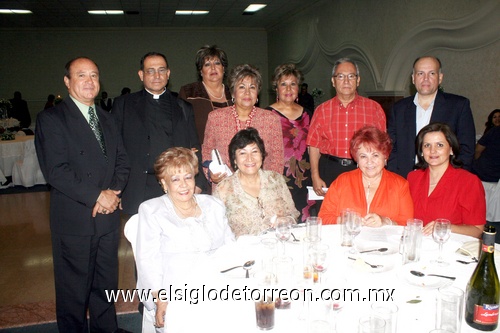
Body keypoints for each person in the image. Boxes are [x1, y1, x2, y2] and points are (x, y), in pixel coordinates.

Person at [34, 57, 130, 332]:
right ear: (67, 81)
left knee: (105, 284)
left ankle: (106, 330)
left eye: (94, 75)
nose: (89, 81)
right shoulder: (51, 118)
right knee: (73, 291)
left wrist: (112, 193)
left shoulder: (107, 118)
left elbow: (122, 161)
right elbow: (56, 171)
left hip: (108, 217)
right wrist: (97, 196)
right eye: (81, 75)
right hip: (76, 218)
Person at [136, 147, 234, 331]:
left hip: (219, 283)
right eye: (175, 179)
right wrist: (161, 300)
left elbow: (230, 247)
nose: (184, 185)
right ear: (164, 183)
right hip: (178, 290)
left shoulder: (213, 204)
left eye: (188, 177)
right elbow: (147, 261)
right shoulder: (152, 210)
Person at [113, 51, 206, 216]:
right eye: (150, 71)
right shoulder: (124, 105)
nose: (156, 75)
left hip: (175, 186)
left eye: (161, 70)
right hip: (136, 188)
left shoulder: (183, 107)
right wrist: (116, 188)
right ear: (141, 75)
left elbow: (194, 146)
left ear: (168, 74)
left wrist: (198, 183)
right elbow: (115, 148)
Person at [306, 58, 386, 202]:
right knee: (329, 217)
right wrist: (315, 176)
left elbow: (382, 148)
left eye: (351, 76)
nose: (346, 81)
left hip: (362, 169)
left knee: (361, 216)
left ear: (358, 80)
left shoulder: (374, 109)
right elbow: (314, 145)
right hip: (329, 170)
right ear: (333, 81)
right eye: (341, 76)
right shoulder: (322, 110)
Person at [388, 56, 476, 178]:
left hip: (445, 180)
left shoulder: (458, 106)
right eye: (420, 73)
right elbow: (391, 148)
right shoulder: (398, 109)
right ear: (413, 78)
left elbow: (466, 149)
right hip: (405, 180)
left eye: (432, 73)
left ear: (440, 78)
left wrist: (456, 178)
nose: (425, 78)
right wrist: (395, 177)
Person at [202, 64, 284, 185]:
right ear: (233, 93)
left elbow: (277, 158)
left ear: (257, 93)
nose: (247, 92)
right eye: (241, 87)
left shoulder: (271, 119)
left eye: (252, 87)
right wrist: (210, 173)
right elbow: (207, 150)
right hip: (225, 187)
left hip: (261, 188)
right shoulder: (216, 118)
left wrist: (268, 184)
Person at [319, 126, 413, 226]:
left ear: (385, 157)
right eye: (363, 156)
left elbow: (408, 224)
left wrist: (385, 221)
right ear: (357, 159)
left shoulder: (400, 185)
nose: (369, 162)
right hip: (348, 240)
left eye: (375, 155)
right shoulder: (342, 181)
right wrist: (343, 220)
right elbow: (323, 218)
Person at [213, 128, 299, 237]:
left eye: (254, 151)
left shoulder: (276, 179)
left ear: (262, 155)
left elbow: (293, 214)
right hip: (244, 251)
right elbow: (216, 229)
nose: (250, 159)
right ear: (234, 159)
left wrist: (286, 220)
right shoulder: (223, 189)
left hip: (278, 245)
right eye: (243, 153)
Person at [408, 122, 485, 238]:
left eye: (439, 145)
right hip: (417, 244)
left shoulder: (469, 182)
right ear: (421, 152)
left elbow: (477, 230)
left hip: (450, 247)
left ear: (451, 150)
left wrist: (445, 227)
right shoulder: (413, 178)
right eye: (427, 145)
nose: (432, 151)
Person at [265, 64, 314, 222]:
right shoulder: (267, 115)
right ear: (276, 88)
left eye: (293, 84)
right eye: (283, 84)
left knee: (303, 223)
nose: (288, 89)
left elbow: (314, 146)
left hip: (304, 178)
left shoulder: (308, 114)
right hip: (278, 178)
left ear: (298, 88)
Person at [179, 45, 233, 144]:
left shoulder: (235, 93)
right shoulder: (189, 92)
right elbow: (180, 129)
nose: (213, 68)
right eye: (207, 64)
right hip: (200, 155)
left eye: (217, 63)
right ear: (201, 71)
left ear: (223, 68)